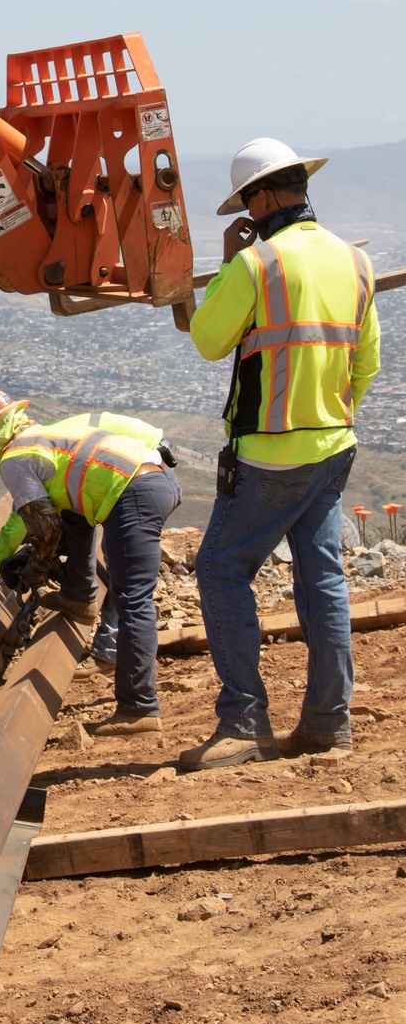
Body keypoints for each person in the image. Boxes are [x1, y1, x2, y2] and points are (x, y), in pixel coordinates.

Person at [179, 139, 379, 771]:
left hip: (270, 454)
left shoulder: (257, 265)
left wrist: (229, 260)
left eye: (245, 202)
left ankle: (242, 725)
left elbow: (208, 339)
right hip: (334, 446)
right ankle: (328, 721)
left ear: (261, 199)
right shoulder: (355, 262)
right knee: (321, 579)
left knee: (219, 568)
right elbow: (365, 363)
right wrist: (325, 414)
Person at [0, 391, 181, 736]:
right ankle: (79, 596)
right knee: (73, 516)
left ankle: (139, 708)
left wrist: (32, 568)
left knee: (132, 599)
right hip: (155, 477)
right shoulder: (42, 435)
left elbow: (45, 528)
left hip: (133, 493)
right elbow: (54, 517)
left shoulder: (14, 458)